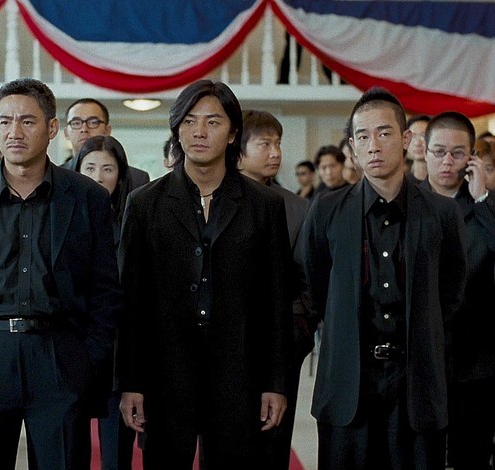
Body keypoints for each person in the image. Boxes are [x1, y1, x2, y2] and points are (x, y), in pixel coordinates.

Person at [0, 78, 122, 470]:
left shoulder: (88, 197)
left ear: (51, 128)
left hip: (59, 355)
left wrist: (87, 359)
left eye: (27, 121)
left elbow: (104, 290)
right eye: (5, 121)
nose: (14, 131)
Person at [117, 80, 293, 468]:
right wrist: (131, 382)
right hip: (165, 374)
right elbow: (132, 302)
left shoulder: (264, 205)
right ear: (177, 130)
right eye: (189, 121)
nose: (199, 132)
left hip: (240, 373)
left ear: (232, 134)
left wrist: (276, 383)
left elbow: (277, 301)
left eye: (213, 122)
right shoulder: (144, 204)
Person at [300, 87, 468, 469]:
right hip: (348, 384)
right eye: (362, 136)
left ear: (407, 140)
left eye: (384, 133)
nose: (373, 145)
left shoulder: (442, 213)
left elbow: (451, 292)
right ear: (352, 147)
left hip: (416, 385)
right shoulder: (326, 210)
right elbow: (314, 285)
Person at [419, 111, 495, 470]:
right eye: (439, 151)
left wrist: (482, 199)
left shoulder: (490, 203)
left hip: (476, 360)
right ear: (424, 152)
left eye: (458, 153)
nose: (447, 161)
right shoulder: (407, 202)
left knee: (471, 458)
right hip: (422, 358)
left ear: (472, 157)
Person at [237, 109, 313, 470]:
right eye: (264, 144)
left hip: (281, 341)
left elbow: (309, 278)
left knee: (273, 443)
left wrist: (299, 329)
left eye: (278, 143)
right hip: (222, 342)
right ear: (238, 150)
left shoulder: (296, 207)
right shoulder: (212, 199)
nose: (275, 152)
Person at [74, 134, 136, 470]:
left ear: (121, 175)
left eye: (108, 169)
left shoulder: (133, 223)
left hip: (118, 352)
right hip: (73, 349)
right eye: (90, 168)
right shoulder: (62, 219)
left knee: (116, 454)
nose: (98, 177)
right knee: (71, 451)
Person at [60, 98, 150, 189]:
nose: (84, 129)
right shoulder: (56, 177)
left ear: (107, 130)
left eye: (93, 123)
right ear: (66, 133)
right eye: (76, 123)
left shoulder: (137, 179)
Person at [406, 115, 430, 184]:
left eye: (423, 136)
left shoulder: (444, 183)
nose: (417, 143)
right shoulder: (401, 184)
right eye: (413, 136)